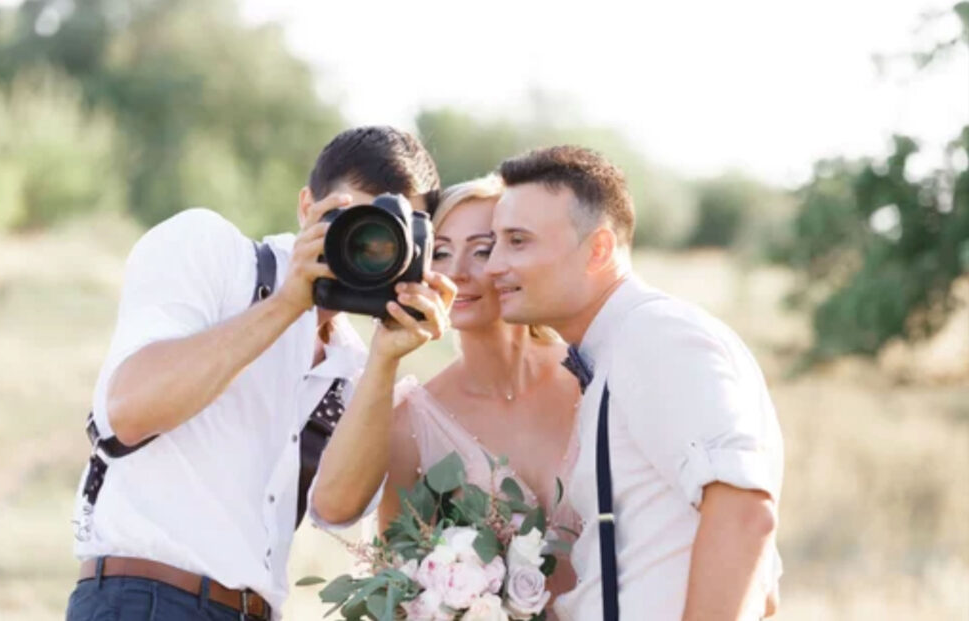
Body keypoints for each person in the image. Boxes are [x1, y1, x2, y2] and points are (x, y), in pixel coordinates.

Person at [65, 126, 454, 621]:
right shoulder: (212, 250)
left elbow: (336, 511)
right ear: (305, 206)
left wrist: (386, 357)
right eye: (352, 221)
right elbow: (129, 411)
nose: (366, 247)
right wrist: (290, 302)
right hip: (146, 598)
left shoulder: (354, 364)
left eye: (388, 236)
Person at [484, 146, 784, 620]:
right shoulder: (619, 348)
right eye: (495, 242)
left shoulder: (658, 338)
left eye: (518, 241)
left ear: (598, 249)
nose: (493, 265)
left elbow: (745, 514)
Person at [312, 175, 583, 613]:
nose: (457, 270)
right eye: (440, 252)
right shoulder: (412, 423)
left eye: (483, 248)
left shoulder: (593, 374)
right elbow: (397, 590)